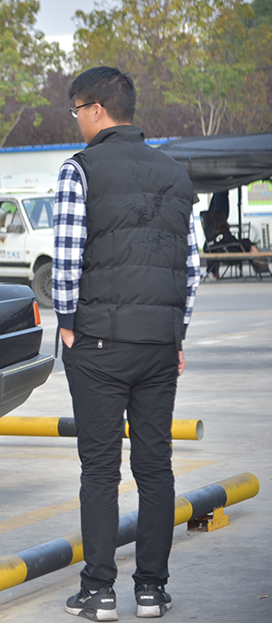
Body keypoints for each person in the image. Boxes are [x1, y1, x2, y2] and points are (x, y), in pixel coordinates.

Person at [53, 67, 200, 621]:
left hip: (97, 345)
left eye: (75, 112)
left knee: (99, 469)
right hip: (159, 346)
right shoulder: (175, 173)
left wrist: (67, 321)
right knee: (155, 466)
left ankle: (98, 592)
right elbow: (191, 266)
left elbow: (66, 256)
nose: (77, 124)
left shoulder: (80, 170)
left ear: (95, 110)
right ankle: (152, 591)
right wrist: (176, 333)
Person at [206, 209, 268, 275]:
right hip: (230, 251)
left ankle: (258, 257)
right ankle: (259, 257)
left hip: (224, 250)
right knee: (246, 242)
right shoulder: (224, 232)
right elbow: (233, 241)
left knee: (245, 242)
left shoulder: (212, 233)